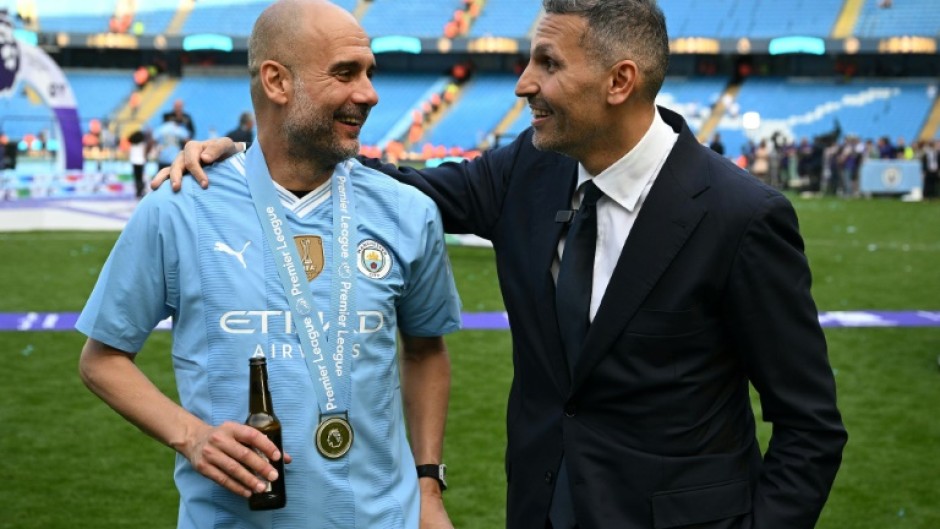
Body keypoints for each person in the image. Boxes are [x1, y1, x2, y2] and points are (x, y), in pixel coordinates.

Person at [158, 1, 847, 527]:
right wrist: (254, 152)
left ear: (620, 81)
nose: (524, 83)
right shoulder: (531, 171)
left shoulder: (739, 216)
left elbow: (810, 424)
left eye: (547, 63)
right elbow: (399, 187)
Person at [80, 1, 461, 528]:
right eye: (345, 73)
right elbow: (101, 359)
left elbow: (425, 350)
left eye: (370, 73)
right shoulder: (180, 206)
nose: (369, 93)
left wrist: (428, 487)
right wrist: (191, 436)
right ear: (277, 82)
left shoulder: (407, 211)